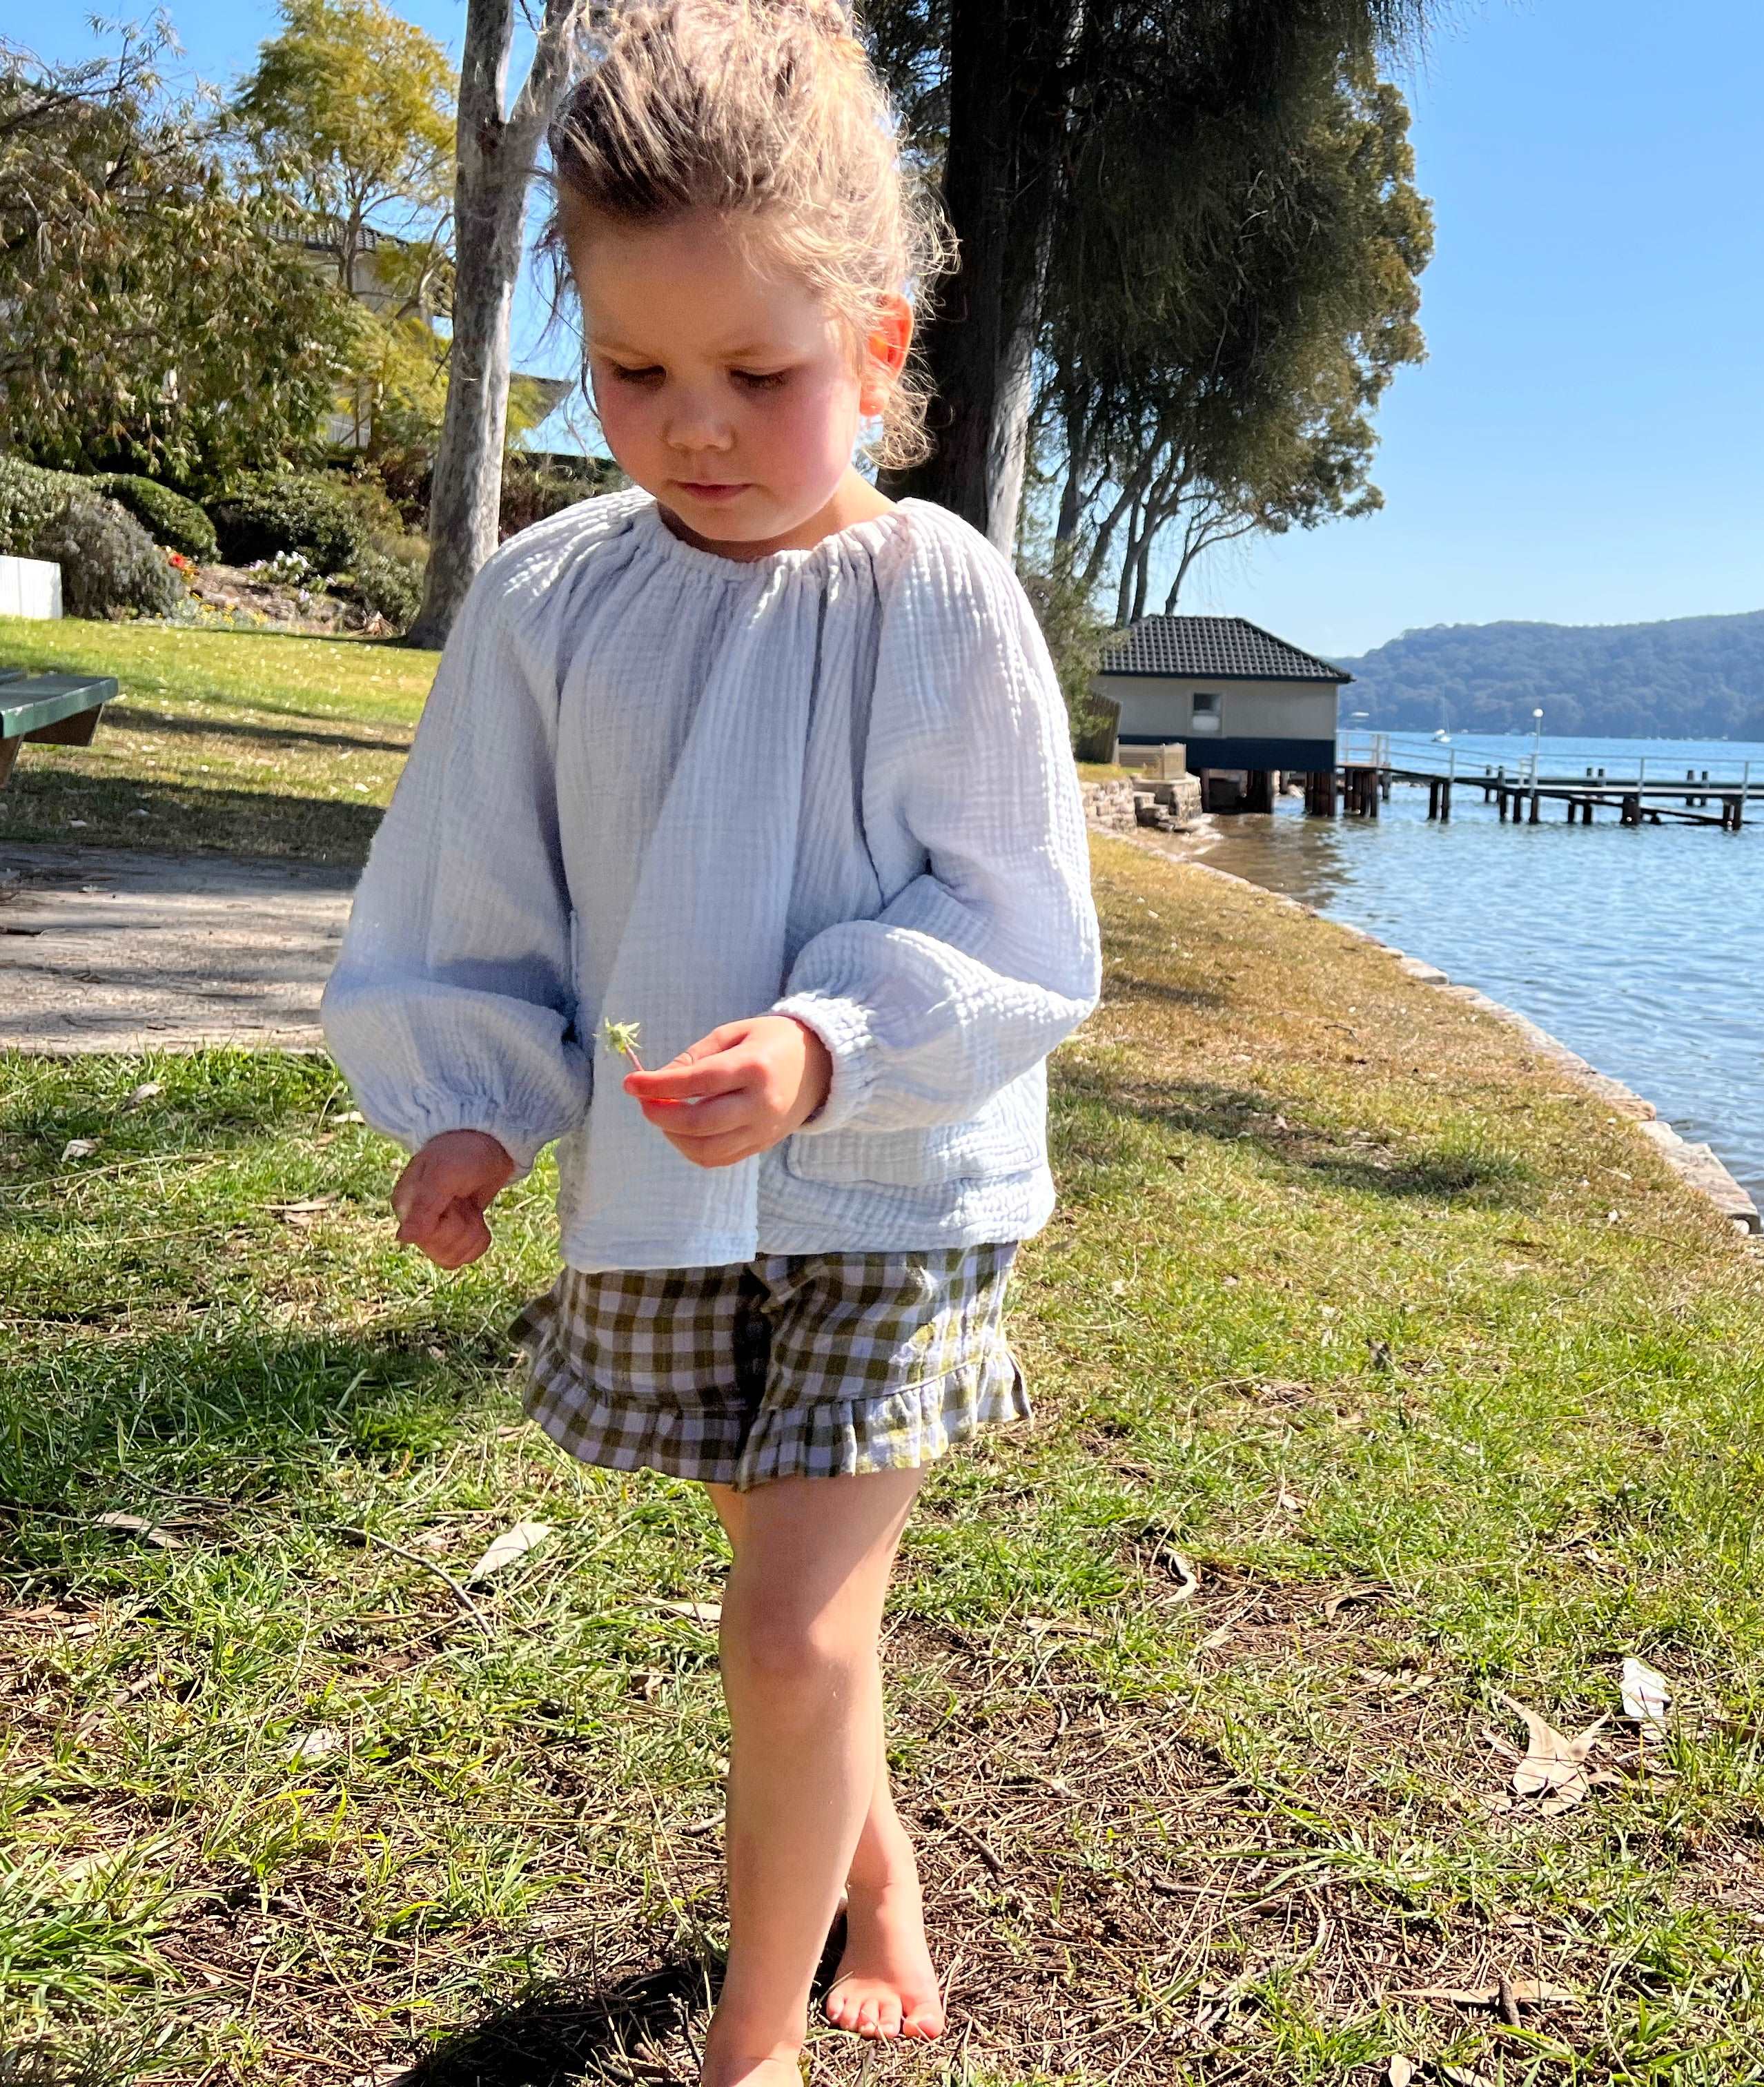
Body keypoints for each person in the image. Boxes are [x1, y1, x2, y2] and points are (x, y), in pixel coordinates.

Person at [320, 0, 1099, 2075]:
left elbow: (1016, 912)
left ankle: (752, 2054)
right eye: (636, 370)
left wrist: (833, 1046)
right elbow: (478, 890)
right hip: (667, 1195)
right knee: (791, 1616)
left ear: (877, 347)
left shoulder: (940, 598)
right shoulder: (551, 600)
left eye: (760, 373)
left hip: (891, 1186)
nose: (697, 426)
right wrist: (475, 1110)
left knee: (785, 1627)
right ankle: (875, 1864)